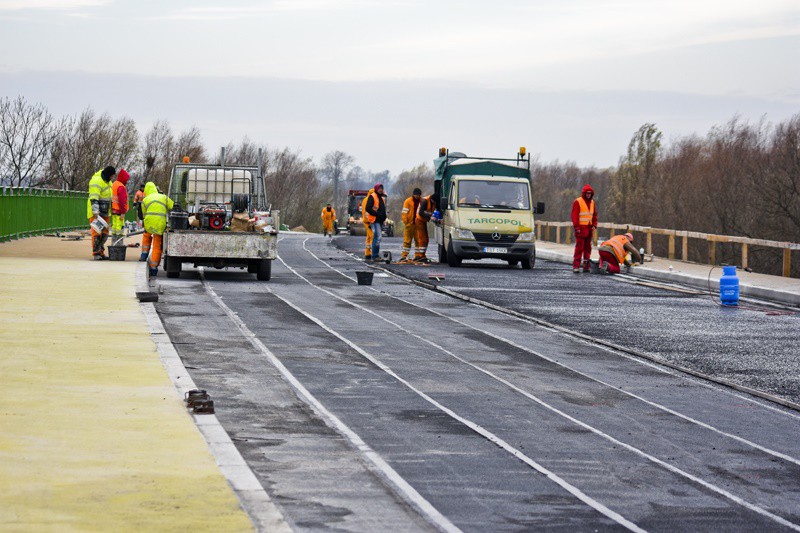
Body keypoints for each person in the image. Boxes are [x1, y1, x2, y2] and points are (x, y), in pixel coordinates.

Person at [139, 182, 174, 276]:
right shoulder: (163, 197)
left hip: (149, 223)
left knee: (146, 236)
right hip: (160, 224)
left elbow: (143, 214)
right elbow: (172, 206)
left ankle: (143, 255)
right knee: (157, 245)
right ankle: (153, 267)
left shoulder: (145, 199)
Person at [86, 165, 116, 260]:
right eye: (112, 176)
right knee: (96, 232)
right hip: (97, 212)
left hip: (105, 211)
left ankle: (101, 251)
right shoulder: (96, 181)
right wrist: (95, 212)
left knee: (105, 232)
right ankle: (96, 253)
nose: (112, 178)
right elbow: (94, 198)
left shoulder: (108, 182)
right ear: (108, 175)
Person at [571, 184, 598, 273]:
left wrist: (594, 224)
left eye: (590, 193)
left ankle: (586, 266)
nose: (588, 195)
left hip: (589, 229)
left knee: (587, 249)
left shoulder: (593, 203)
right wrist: (577, 227)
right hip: (581, 229)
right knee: (579, 248)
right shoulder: (578, 202)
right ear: (584, 193)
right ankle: (576, 266)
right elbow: (574, 216)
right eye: (587, 193)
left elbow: (594, 215)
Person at [414, 192, 440, 263]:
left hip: (424, 221)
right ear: (432, 199)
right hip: (419, 220)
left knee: (426, 239)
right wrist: (430, 216)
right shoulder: (424, 201)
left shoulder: (434, 202)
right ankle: (420, 255)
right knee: (422, 238)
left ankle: (422, 255)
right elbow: (421, 212)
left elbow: (436, 210)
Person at [364, 183, 386, 261]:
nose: (380, 190)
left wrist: (383, 218)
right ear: (376, 189)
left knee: (377, 238)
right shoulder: (372, 196)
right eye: (379, 188)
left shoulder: (382, 198)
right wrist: (377, 214)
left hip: (380, 221)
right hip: (374, 220)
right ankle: (375, 255)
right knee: (377, 237)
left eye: (381, 188)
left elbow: (383, 210)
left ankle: (375, 255)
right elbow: (368, 208)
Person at [400, 188, 422, 262]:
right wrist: (406, 222)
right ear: (413, 194)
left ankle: (418, 255)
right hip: (409, 224)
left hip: (418, 225)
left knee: (418, 241)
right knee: (407, 241)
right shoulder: (408, 201)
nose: (417, 196)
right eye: (416, 195)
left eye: (418, 195)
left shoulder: (422, 201)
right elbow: (404, 213)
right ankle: (404, 256)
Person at [110, 168, 130, 245]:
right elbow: (122, 201)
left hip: (113, 210)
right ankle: (119, 245)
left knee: (114, 228)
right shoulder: (121, 187)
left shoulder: (114, 184)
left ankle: (113, 244)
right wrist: (123, 212)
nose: (127, 181)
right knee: (119, 229)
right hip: (119, 211)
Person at [361, 189, 374, 260]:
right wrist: (370, 221)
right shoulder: (368, 200)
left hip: (369, 221)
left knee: (369, 237)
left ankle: (368, 253)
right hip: (369, 221)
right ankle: (373, 253)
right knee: (373, 236)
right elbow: (365, 212)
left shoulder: (367, 199)